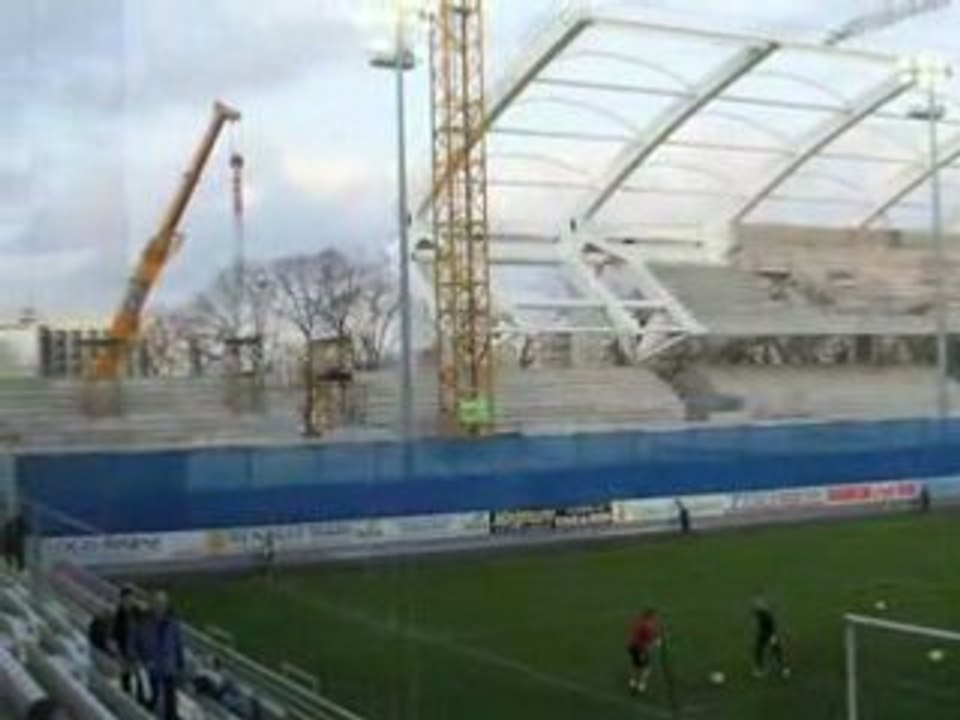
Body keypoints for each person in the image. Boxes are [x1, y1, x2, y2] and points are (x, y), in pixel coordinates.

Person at [142, 591, 185, 720]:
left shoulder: (173, 622)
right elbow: (140, 642)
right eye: (157, 603)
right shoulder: (146, 622)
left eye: (162, 604)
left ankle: (171, 716)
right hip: (152, 666)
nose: (159, 606)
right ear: (152, 604)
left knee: (170, 697)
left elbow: (178, 643)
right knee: (152, 695)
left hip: (168, 666)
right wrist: (145, 659)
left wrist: (180, 663)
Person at [113, 587, 146, 702]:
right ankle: (126, 696)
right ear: (122, 600)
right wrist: (118, 652)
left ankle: (141, 699)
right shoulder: (119, 614)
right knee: (125, 675)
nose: (129, 601)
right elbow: (116, 634)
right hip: (124, 650)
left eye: (130, 599)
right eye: (126, 599)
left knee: (139, 675)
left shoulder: (138, 612)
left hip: (137, 650)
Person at [752, 595, 790, 679]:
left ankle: (784, 668)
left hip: (769, 634)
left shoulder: (767, 616)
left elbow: (772, 627)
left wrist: (773, 637)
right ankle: (759, 668)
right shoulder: (759, 614)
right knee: (759, 650)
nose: (756, 607)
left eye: (758, 605)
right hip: (763, 634)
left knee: (776, 650)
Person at [627, 608, 661, 695]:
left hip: (632, 646)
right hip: (641, 649)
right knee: (646, 668)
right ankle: (641, 685)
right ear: (651, 616)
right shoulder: (648, 626)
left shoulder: (637, 622)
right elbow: (650, 639)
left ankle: (632, 682)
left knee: (635, 664)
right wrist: (656, 643)